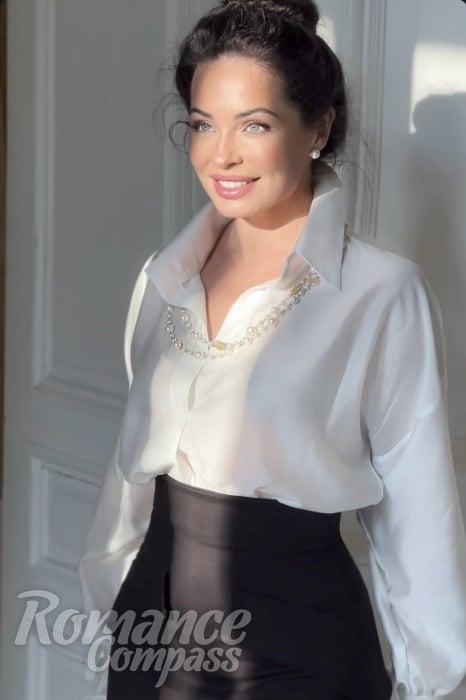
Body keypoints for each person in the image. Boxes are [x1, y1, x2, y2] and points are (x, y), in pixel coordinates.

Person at [79, 1, 466, 698]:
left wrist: (431, 682)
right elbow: (129, 478)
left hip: (298, 645)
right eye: (203, 124)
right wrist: (112, 608)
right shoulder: (162, 279)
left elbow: (417, 517)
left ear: (318, 127)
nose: (220, 154)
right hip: (149, 637)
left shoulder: (381, 294)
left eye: (254, 124)